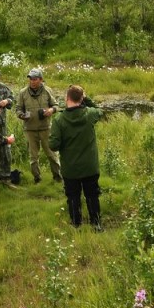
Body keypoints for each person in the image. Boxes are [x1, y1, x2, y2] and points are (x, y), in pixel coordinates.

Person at [49, 84, 104, 231]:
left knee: (73, 197)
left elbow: (53, 145)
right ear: (82, 98)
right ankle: (96, 224)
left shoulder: (59, 120)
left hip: (70, 168)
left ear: (67, 98)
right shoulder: (90, 114)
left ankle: (76, 225)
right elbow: (100, 110)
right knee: (92, 196)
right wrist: (87, 99)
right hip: (89, 166)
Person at [15, 68, 62, 184]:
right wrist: (21, 115)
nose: (32, 81)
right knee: (33, 157)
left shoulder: (47, 91)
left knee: (52, 154)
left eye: (35, 79)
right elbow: (18, 109)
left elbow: (56, 105)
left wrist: (51, 110)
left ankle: (57, 177)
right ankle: (37, 179)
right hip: (30, 129)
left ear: (40, 79)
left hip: (46, 128)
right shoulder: (23, 93)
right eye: (30, 79)